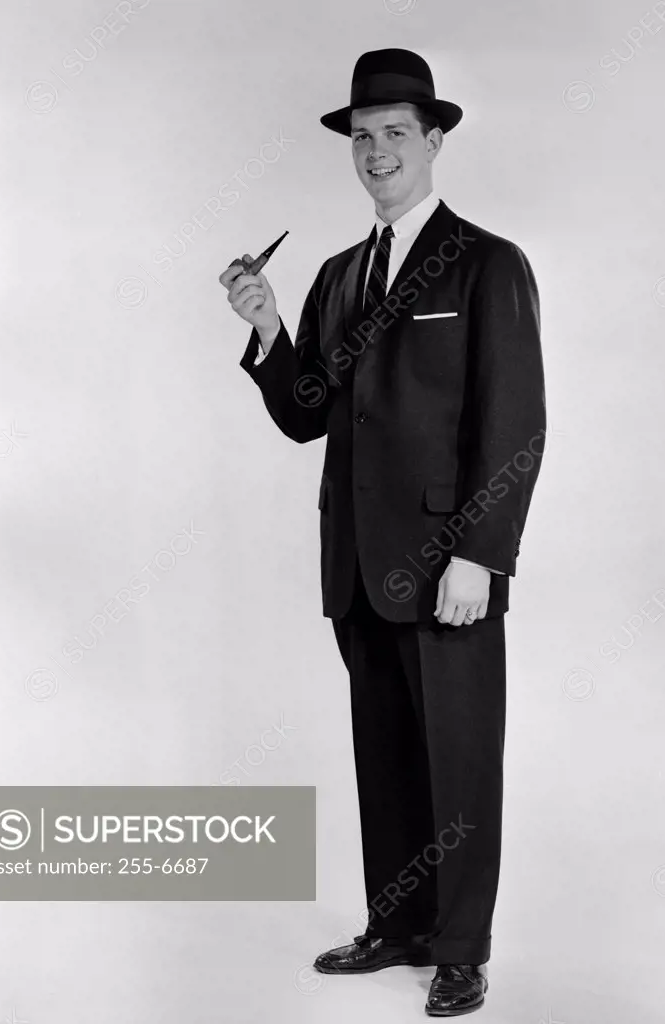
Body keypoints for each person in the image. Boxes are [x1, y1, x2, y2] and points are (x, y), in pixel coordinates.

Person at [219, 47, 546, 1018]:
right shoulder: (333, 275)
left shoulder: (488, 264)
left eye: (395, 134)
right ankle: (395, 925)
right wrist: (270, 328)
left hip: (450, 565)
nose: (376, 152)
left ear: (434, 140)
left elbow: (513, 420)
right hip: (356, 564)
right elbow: (305, 411)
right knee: (386, 750)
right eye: (361, 138)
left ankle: (460, 948)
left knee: (458, 752)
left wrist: (483, 554)